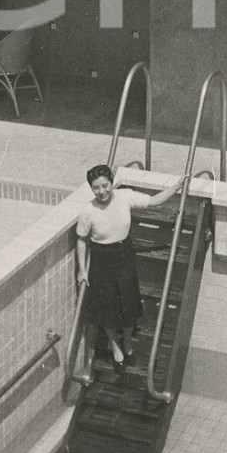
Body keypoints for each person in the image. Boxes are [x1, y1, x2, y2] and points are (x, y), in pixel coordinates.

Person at [76, 162, 184, 379]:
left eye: (105, 186)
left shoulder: (125, 196)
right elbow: (81, 240)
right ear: (91, 188)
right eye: (96, 188)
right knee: (106, 308)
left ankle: (126, 338)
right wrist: (82, 269)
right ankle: (115, 347)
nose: (102, 191)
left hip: (124, 255)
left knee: (128, 302)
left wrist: (176, 186)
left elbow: (153, 201)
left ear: (112, 183)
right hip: (101, 259)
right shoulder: (88, 210)